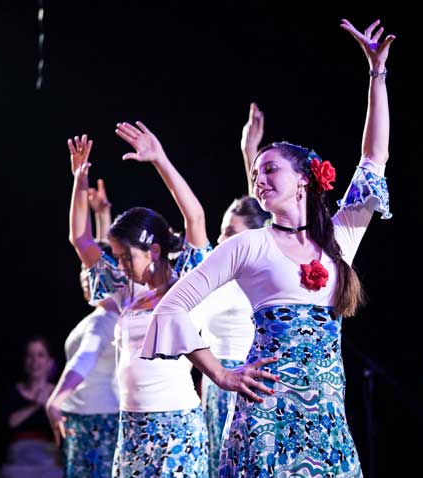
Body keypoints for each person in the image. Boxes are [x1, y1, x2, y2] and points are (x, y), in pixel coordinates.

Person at [140, 18, 394, 477]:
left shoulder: (339, 239)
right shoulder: (249, 244)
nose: (259, 178)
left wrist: (377, 74)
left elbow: (373, 159)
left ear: (304, 178)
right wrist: (220, 374)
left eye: (270, 168)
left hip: (326, 418)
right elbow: (172, 307)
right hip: (266, 415)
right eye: (255, 172)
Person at [68, 124, 211, 477]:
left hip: (176, 424)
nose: (119, 265)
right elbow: (80, 239)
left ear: (155, 250)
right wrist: (78, 181)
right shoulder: (125, 287)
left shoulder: (185, 281)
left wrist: (159, 159)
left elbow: (195, 217)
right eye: (116, 257)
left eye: (125, 256)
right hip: (131, 425)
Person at [191, 103, 270, 478]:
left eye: (231, 233)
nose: (221, 240)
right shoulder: (212, 272)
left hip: (249, 383)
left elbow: (266, 215)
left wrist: (250, 154)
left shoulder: (259, 272)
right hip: (215, 386)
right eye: (222, 230)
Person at [45, 178, 120, 478]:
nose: (84, 278)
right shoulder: (110, 311)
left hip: (95, 420)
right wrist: (102, 216)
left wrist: (56, 398)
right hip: (91, 417)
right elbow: (102, 260)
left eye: (89, 275)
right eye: (81, 272)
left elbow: (84, 357)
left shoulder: (103, 320)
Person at [0, 336, 62, 478]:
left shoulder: (58, 393)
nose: (35, 361)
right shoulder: (13, 391)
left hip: (49, 455)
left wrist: (51, 405)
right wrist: (36, 405)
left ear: (49, 362)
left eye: (40, 355)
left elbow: (63, 428)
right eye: (30, 356)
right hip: (18, 456)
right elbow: (10, 422)